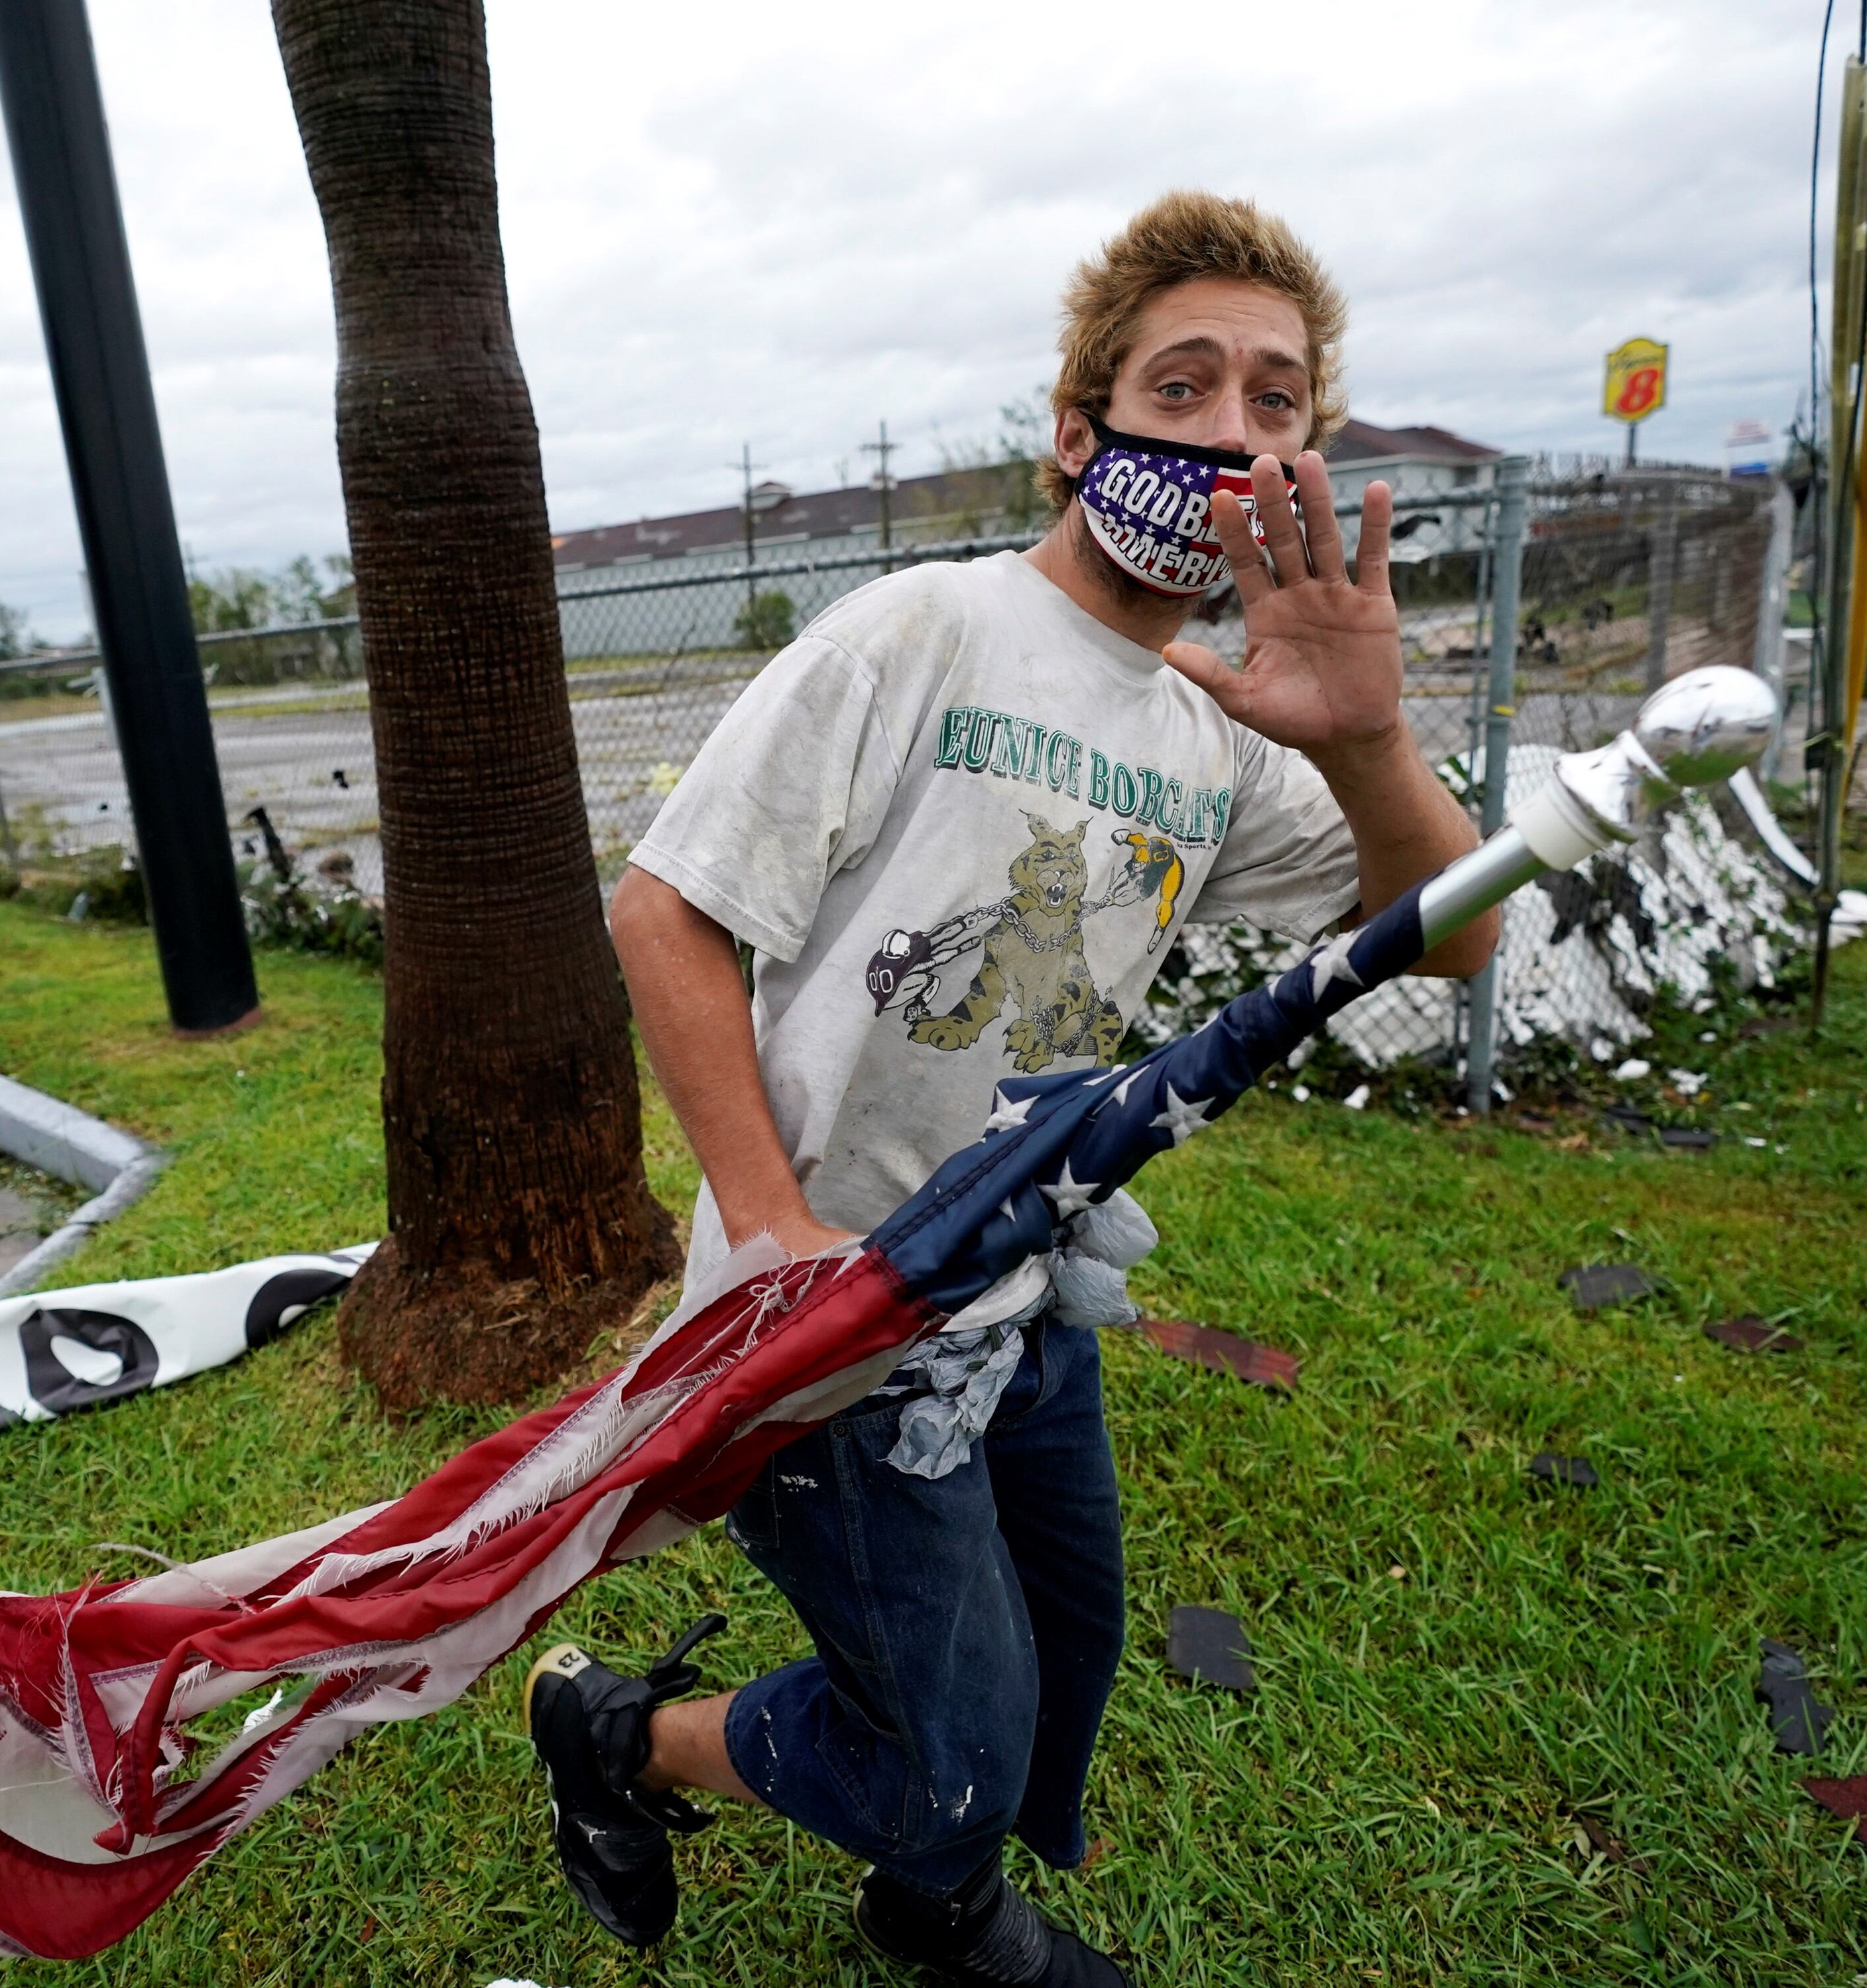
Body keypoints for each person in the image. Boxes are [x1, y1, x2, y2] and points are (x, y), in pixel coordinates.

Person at [524, 190, 1498, 1986]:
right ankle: (630, 1748)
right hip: (824, 1316)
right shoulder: (924, 632)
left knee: (1058, 1656)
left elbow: (1439, 939)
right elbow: (665, 911)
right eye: (1182, 384)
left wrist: (1364, 732)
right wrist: (769, 1234)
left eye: (1275, 402)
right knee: (952, 1744)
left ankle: (930, 1879)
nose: (1227, 432)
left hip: (1017, 1292)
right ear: (1080, 429)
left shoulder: (1221, 723)